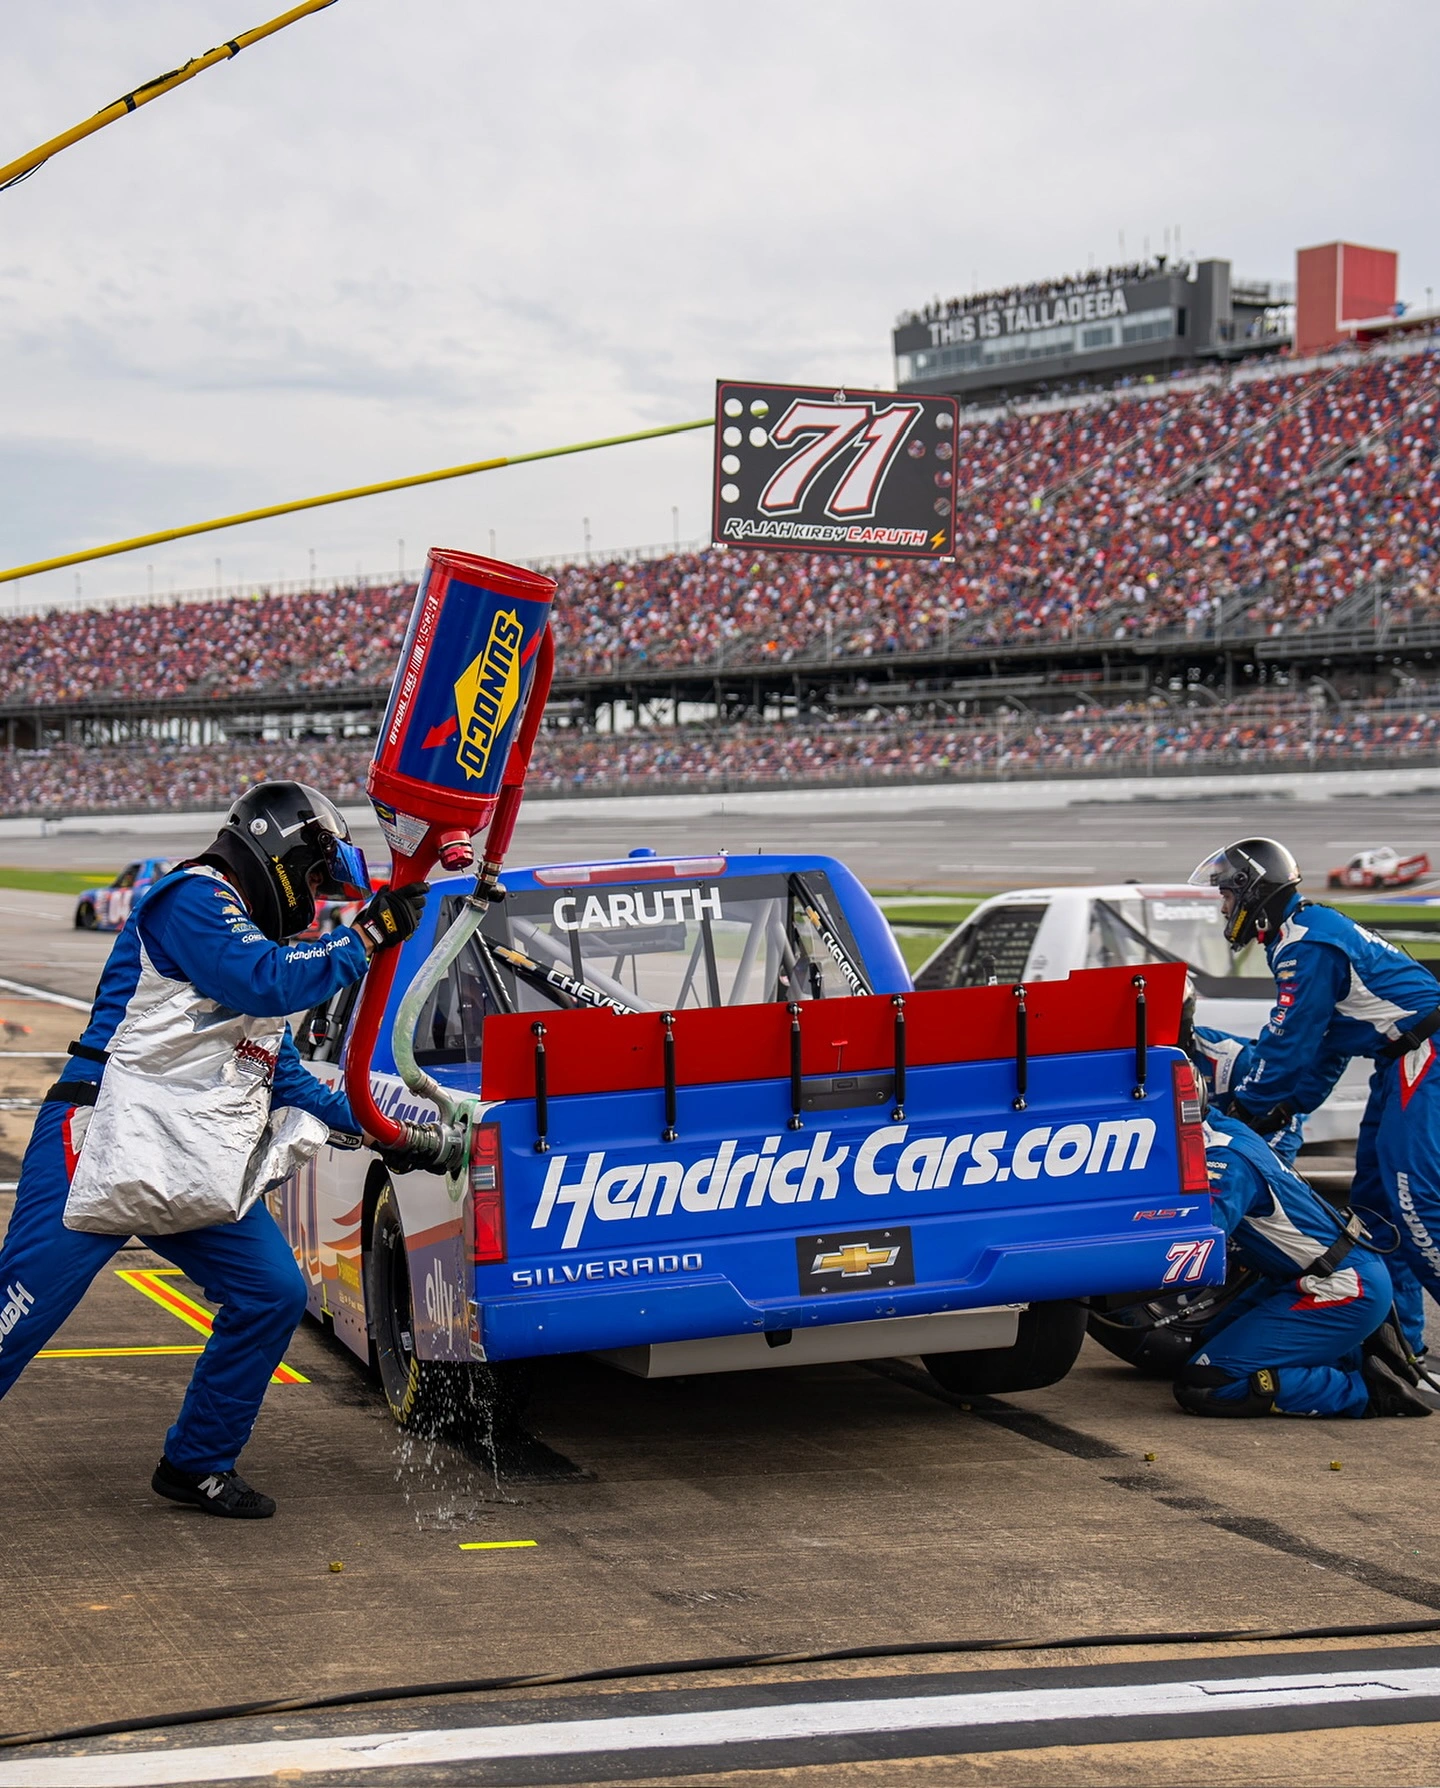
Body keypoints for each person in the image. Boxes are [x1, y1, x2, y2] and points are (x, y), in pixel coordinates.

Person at [0, 782, 431, 1518]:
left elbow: (292, 1083)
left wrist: (397, 1137)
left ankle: (196, 1460)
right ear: (285, 855)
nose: (319, 902)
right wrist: (362, 938)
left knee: (272, 1293)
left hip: (180, 1158)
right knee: (15, 1318)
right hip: (98, 1136)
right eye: (320, 882)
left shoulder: (262, 954)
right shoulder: (194, 898)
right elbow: (263, 983)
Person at [1191, 837, 1437, 1360]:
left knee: (1414, 1199)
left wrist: (1247, 1108)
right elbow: (1326, 1050)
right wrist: (1280, 1109)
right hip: (1402, 1059)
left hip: (1427, 1053)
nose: (1224, 908)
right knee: (1375, 1209)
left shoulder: (1304, 945)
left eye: (1228, 897)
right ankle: (1404, 1344)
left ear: (1253, 891)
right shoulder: (1304, 931)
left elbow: (1288, 1045)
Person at [1176, 1093, 1429, 1419]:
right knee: (1203, 1346)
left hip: (1342, 1287)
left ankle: (1364, 1390)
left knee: (1206, 1383)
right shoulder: (1219, 1125)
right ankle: (1351, 1353)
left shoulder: (1223, 1162)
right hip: (1313, 1277)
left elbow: (1189, 1249)